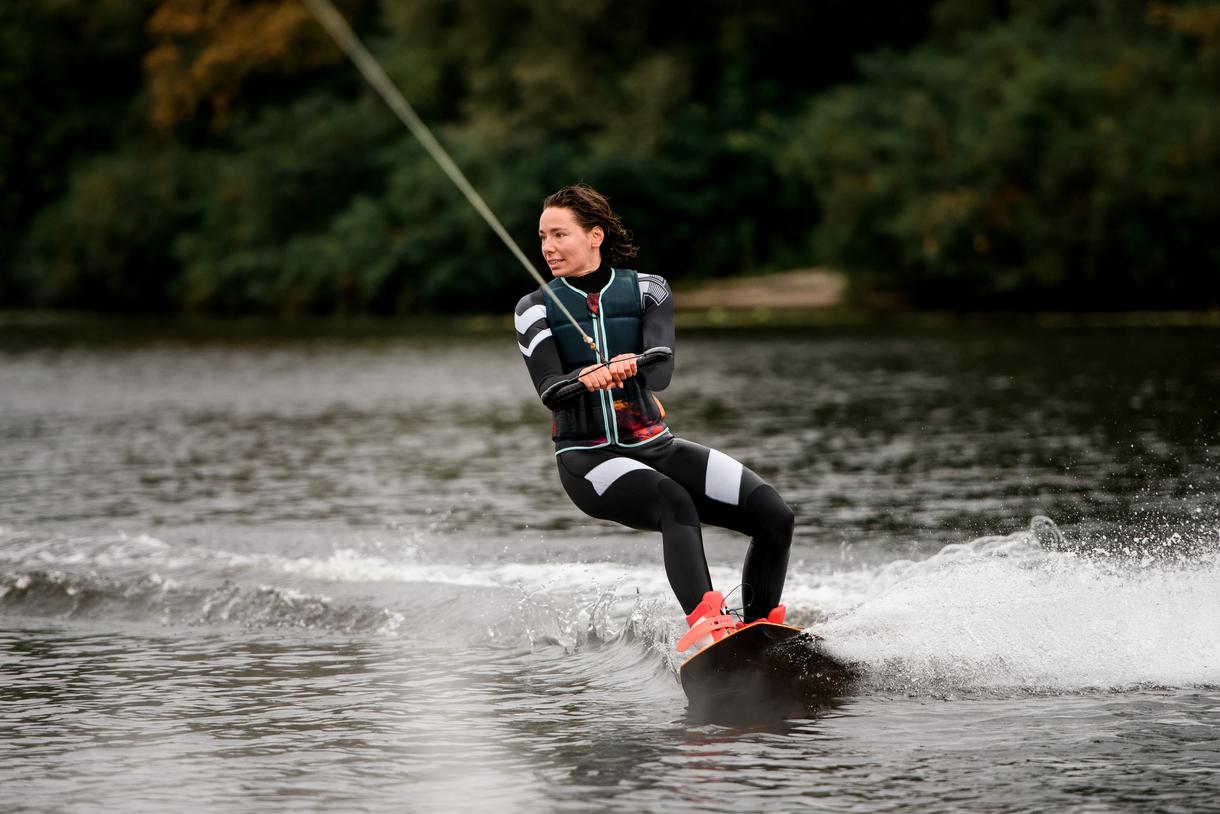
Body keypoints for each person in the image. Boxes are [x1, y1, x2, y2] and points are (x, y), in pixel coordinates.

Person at [514, 184, 794, 652]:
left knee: (775, 516)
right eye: (543, 236)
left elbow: (660, 372)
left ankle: (760, 632)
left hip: (655, 446)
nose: (547, 247)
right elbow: (550, 391)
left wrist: (631, 363)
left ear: (595, 236)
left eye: (559, 234)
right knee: (674, 502)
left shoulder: (649, 290)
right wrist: (587, 376)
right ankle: (710, 627)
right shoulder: (533, 308)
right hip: (588, 459)